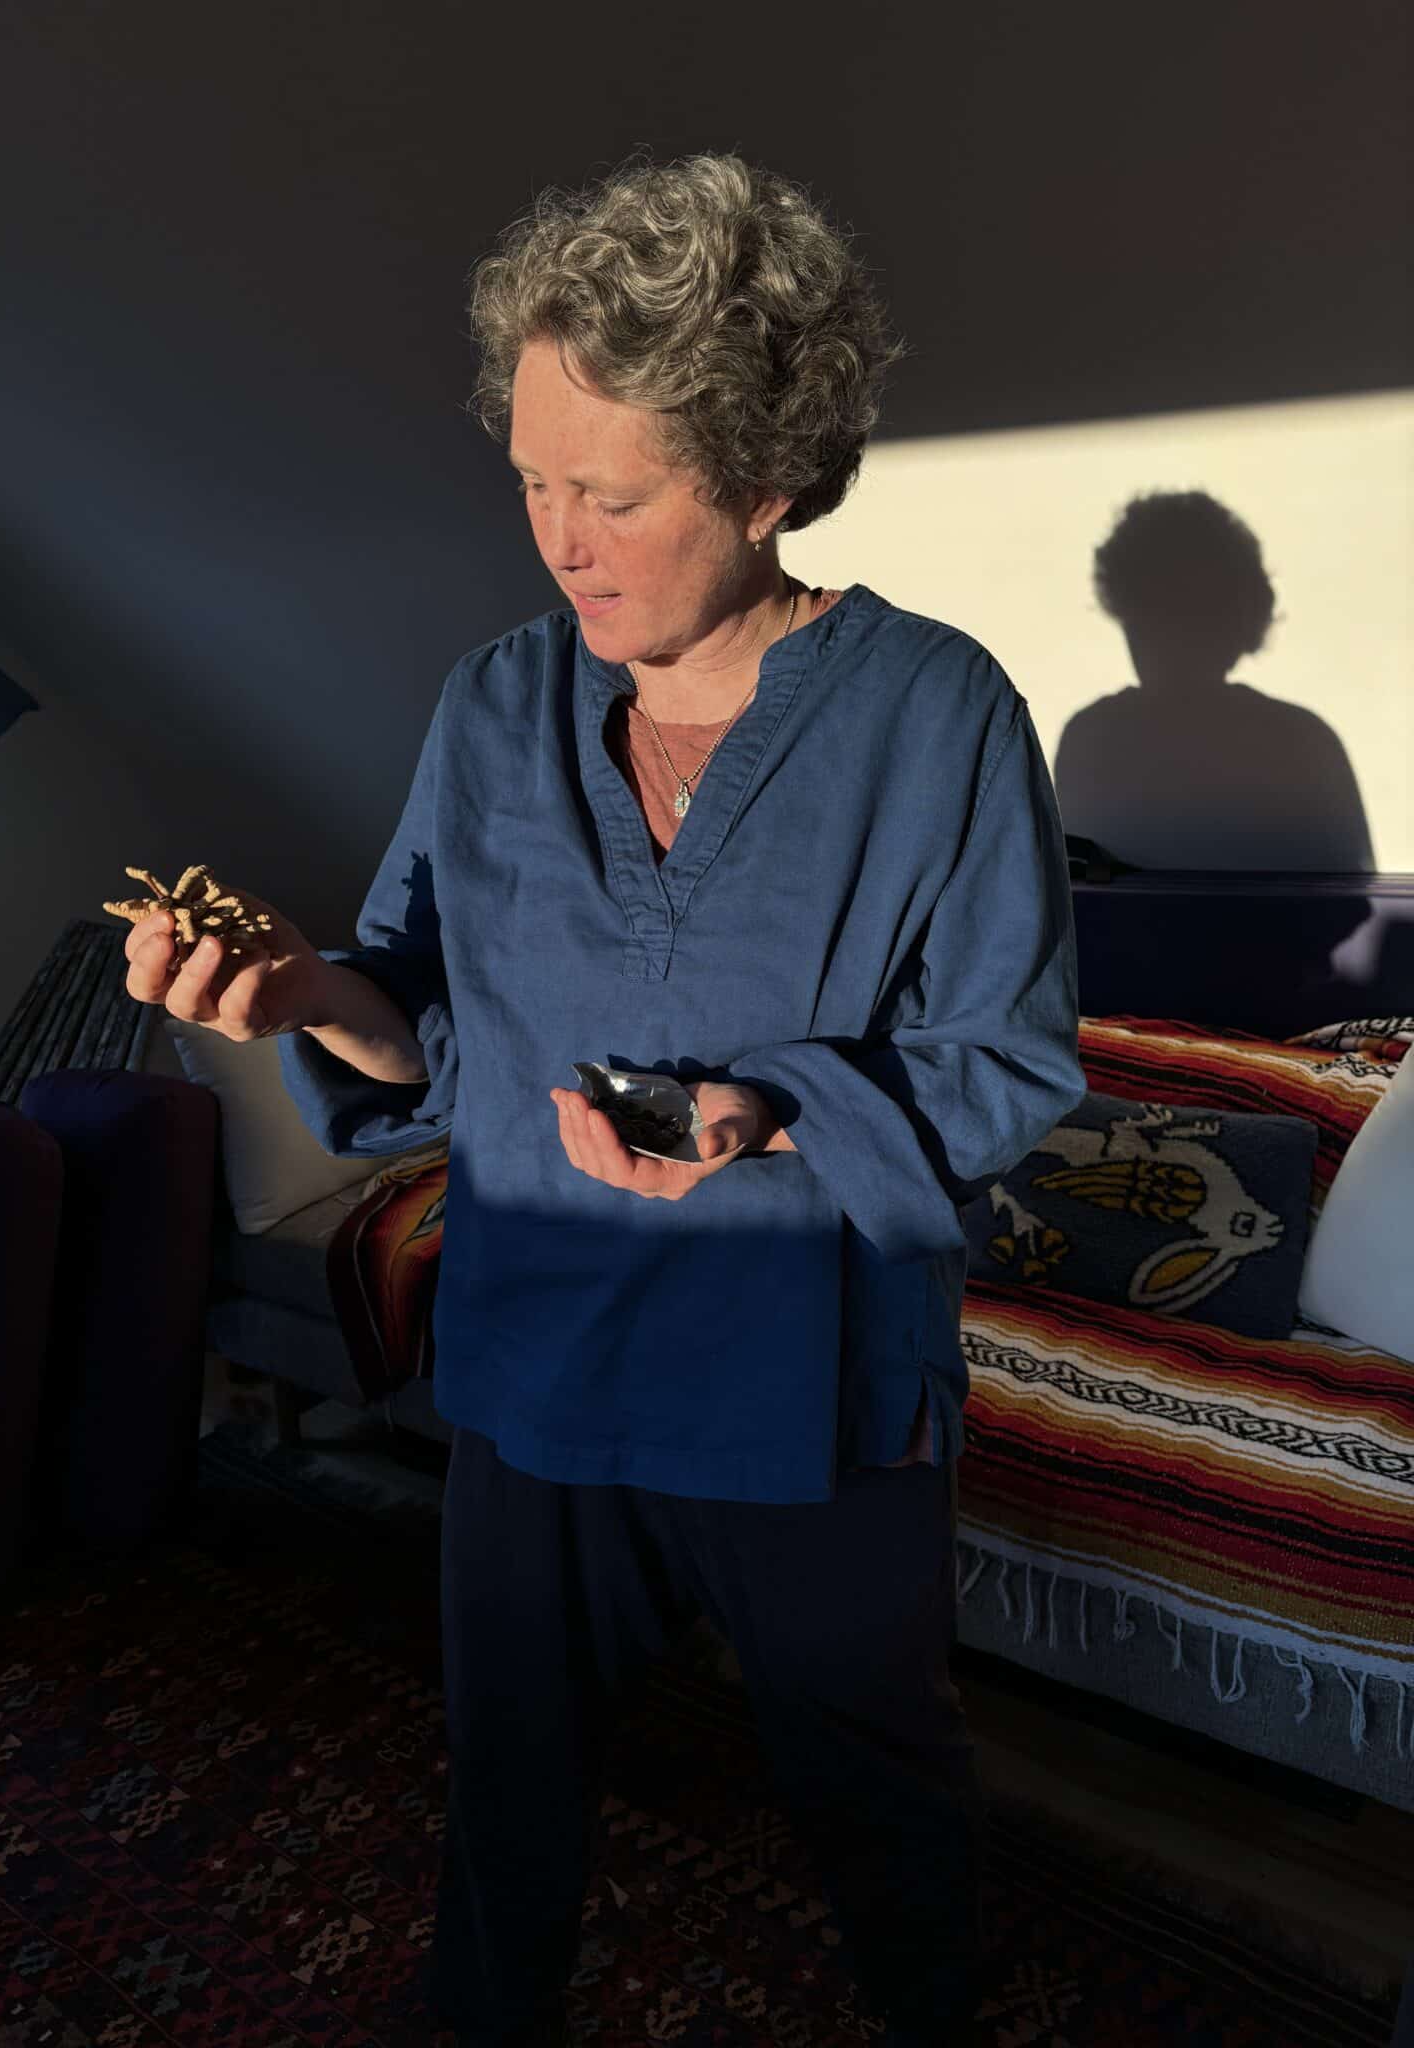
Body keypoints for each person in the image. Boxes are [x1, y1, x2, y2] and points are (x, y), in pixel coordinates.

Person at [122, 149, 1086, 2048]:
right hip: (540, 1371)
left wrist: (771, 1112)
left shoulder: (938, 715)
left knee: (879, 1797)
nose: (562, 541)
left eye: (616, 496)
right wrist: (303, 993)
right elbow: (424, 1017)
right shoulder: (493, 706)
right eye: (535, 484)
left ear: (768, 474)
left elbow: (1007, 1060)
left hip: (803, 1392)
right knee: (508, 1798)